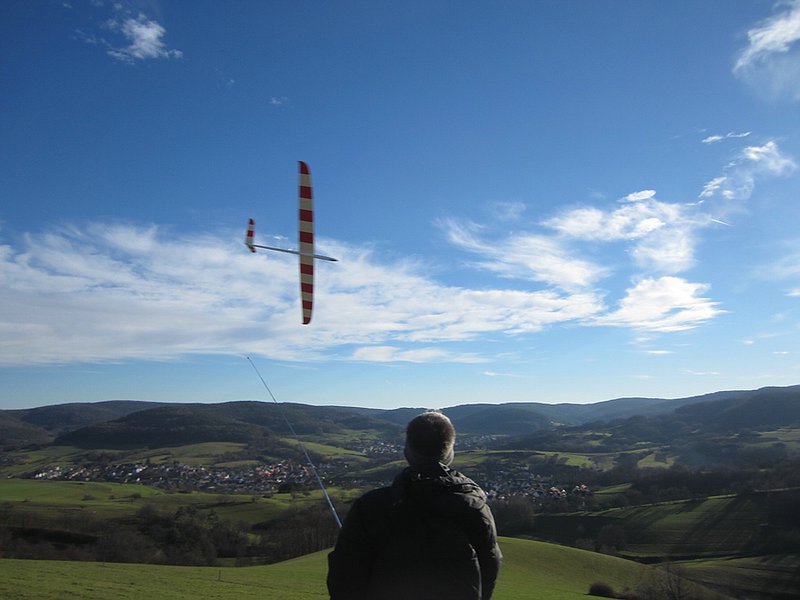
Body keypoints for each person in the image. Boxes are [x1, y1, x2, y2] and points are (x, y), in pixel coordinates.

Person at [327, 411, 501, 600]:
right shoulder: (475, 508)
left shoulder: (371, 506)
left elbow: (343, 576)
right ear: (450, 453)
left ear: (407, 451)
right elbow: (489, 569)